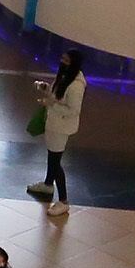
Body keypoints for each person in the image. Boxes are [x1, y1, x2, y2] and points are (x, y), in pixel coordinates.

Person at [33, 50, 86, 213]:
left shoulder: (76, 85)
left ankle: (63, 200)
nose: (62, 62)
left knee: (55, 162)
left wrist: (50, 104)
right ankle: (48, 184)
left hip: (60, 127)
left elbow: (73, 109)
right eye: (62, 58)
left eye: (66, 60)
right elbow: (58, 94)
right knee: (52, 155)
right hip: (54, 123)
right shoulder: (65, 76)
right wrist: (46, 88)